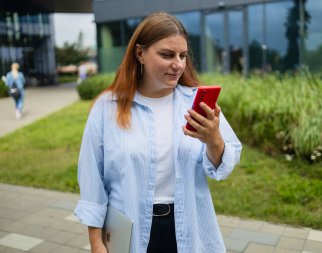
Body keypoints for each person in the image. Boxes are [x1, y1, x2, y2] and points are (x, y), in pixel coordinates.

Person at [74, 12, 242, 253]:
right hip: (129, 231)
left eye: (183, 55)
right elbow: (92, 178)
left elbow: (223, 167)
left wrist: (213, 139)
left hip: (189, 228)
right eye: (167, 54)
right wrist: (96, 241)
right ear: (140, 53)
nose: (178, 64)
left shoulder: (195, 103)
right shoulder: (107, 107)